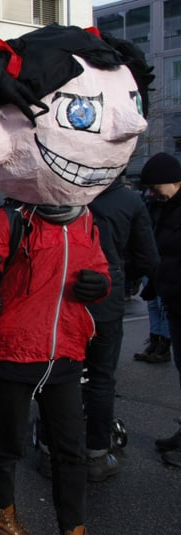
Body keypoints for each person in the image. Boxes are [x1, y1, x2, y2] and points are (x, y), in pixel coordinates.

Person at [0, 24, 153, 535]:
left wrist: (96, 287)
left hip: (65, 354)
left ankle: (72, 527)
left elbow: (98, 267)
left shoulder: (83, 220)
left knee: (71, 449)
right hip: (13, 352)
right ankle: (4, 515)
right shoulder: (10, 218)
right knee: (8, 445)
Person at [77, 179, 158, 481]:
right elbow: (147, 256)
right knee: (101, 377)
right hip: (106, 296)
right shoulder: (129, 201)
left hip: (64, 296)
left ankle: (51, 449)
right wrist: (123, 275)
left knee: (61, 375)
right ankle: (96, 452)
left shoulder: (66, 189)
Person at [137, 153, 181, 468]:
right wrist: (154, 284)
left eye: (156, 186)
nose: (153, 192)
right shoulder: (164, 208)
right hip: (174, 300)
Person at [133, 188, 172, 364]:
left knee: (161, 305)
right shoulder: (150, 205)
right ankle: (155, 341)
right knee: (153, 305)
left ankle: (163, 345)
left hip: (164, 260)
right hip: (154, 259)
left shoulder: (167, 207)